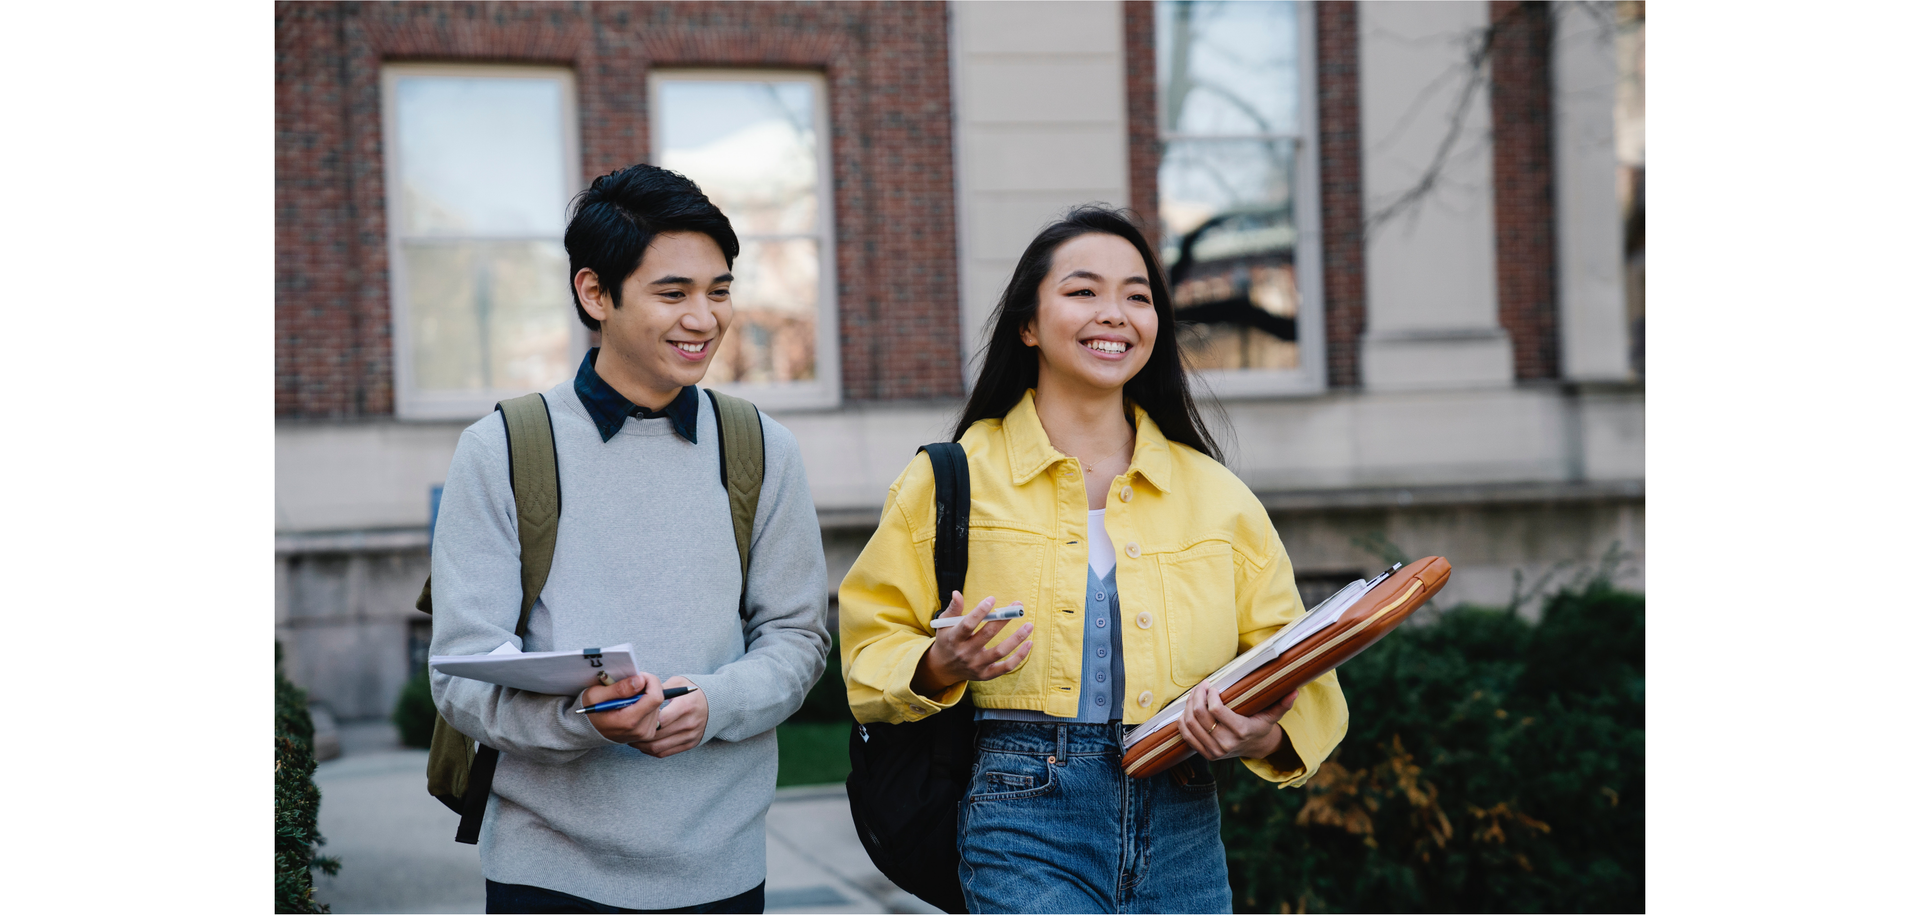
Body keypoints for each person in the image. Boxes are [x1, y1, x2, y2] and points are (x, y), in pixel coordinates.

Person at [838, 205, 1348, 914]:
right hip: (1022, 818)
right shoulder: (948, 480)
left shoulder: (1218, 496)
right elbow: (868, 648)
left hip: (1185, 822)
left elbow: (1305, 670)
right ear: (1028, 323)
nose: (1115, 313)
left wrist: (1263, 732)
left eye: (1137, 296)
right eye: (1083, 291)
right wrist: (939, 663)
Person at [429, 164, 830, 914]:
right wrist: (581, 717)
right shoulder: (503, 448)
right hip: (546, 872)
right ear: (594, 293)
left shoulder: (762, 448)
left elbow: (797, 638)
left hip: (724, 870)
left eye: (719, 291)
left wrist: (710, 702)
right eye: (673, 293)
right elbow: (461, 675)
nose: (704, 319)